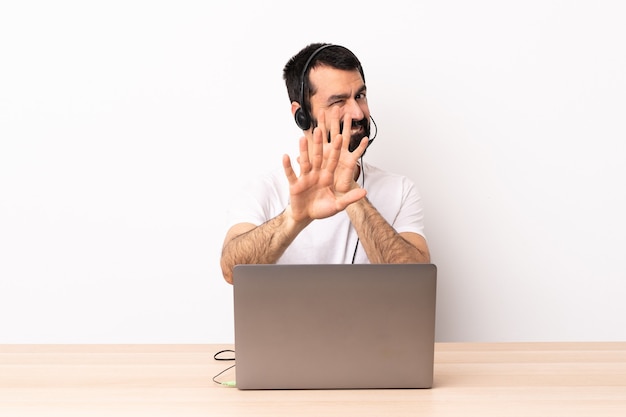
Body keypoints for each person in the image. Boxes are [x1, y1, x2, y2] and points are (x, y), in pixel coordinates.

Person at [220, 43, 430, 284]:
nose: (358, 113)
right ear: (302, 115)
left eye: (360, 96)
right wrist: (292, 220)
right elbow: (231, 271)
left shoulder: (401, 190)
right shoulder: (263, 191)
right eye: (338, 101)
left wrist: (352, 194)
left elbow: (417, 281)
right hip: (288, 324)